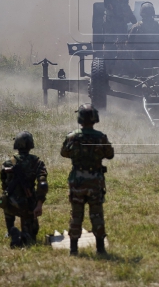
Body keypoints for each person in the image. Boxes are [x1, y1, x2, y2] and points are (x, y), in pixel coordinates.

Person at [61, 104, 115, 256]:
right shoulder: (100, 137)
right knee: (97, 214)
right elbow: (110, 154)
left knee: (76, 214)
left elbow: (64, 153)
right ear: (95, 118)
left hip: (77, 179)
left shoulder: (72, 136)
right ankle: (100, 249)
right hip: (95, 181)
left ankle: (73, 249)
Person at [0, 131, 48, 248]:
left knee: (6, 201)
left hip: (10, 204)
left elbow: (3, 182)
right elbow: (42, 184)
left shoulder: (8, 162)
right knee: (31, 236)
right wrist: (39, 203)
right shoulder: (37, 162)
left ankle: (11, 230)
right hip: (27, 204)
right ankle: (23, 235)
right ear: (31, 145)